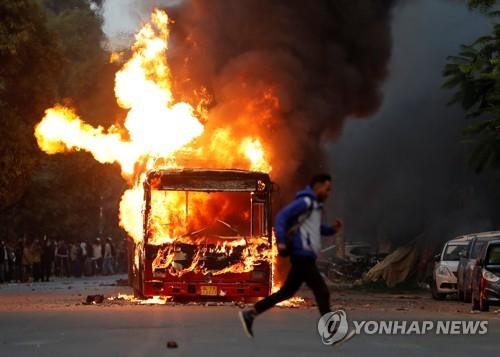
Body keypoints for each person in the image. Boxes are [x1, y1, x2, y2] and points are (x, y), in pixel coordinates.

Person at [239, 174, 348, 341]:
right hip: (302, 256)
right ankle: (330, 328)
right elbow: (281, 217)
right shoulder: (305, 202)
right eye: (327, 189)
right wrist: (281, 241)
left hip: (305, 257)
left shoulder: (314, 206)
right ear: (318, 187)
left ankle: (251, 314)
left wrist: (332, 229)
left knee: (286, 293)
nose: (328, 193)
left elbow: (316, 229)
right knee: (322, 291)